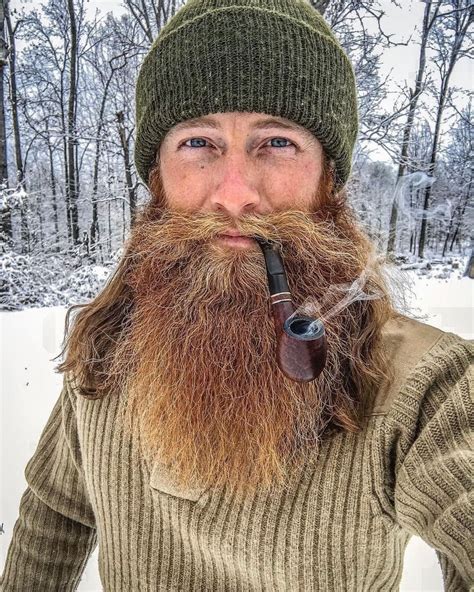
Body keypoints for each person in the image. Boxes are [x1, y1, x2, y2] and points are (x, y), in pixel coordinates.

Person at [1, 0, 473, 590]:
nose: (234, 195)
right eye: (199, 142)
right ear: (158, 179)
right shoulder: (109, 344)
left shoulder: (426, 387)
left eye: (275, 142)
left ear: (331, 178)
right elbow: (57, 511)